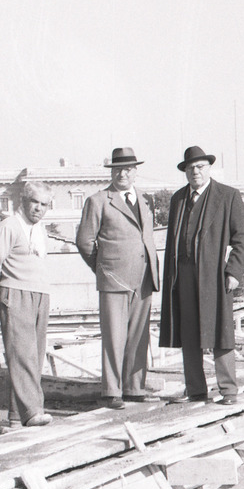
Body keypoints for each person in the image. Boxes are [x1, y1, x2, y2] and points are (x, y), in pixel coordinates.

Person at [159, 145, 244, 405]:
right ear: (185, 172)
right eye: (190, 168)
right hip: (183, 275)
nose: (195, 172)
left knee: (220, 332)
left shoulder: (227, 196)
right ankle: (196, 391)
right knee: (189, 333)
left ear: (208, 168)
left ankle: (228, 391)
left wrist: (233, 271)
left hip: (214, 276)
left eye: (199, 167)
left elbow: (242, 239)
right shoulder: (178, 200)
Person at [76, 147, 160, 409]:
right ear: (111, 172)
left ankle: (134, 387)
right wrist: (103, 267)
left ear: (135, 172)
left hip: (144, 278)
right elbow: (84, 241)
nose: (122, 174)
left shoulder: (145, 201)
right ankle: (112, 391)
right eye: (117, 169)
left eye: (127, 169)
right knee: (114, 335)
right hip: (114, 279)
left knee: (139, 335)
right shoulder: (98, 200)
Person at [0, 181, 54, 428]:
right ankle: (33, 411)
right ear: (23, 201)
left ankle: (16, 415)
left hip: (40, 294)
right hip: (15, 293)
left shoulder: (40, 230)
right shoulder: (9, 226)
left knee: (33, 356)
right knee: (22, 355)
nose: (39, 208)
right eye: (34, 202)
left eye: (44, 204)